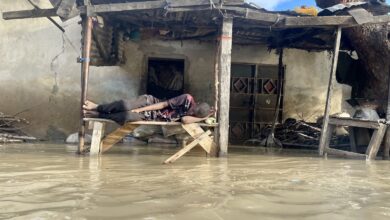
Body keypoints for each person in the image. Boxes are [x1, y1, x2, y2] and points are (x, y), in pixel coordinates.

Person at [83, 94, 213, 125]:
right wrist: (140, 110)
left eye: (193, 113)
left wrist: (203, 118)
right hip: (149, 103)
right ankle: (97, 107)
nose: (190, 111)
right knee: (125, 105)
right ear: (196, 104)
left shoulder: (192, 116)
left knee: (126, 117)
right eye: (192, 110)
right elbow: (162, 105)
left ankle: (99, 115)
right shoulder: (187, 98)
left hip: (151, 116)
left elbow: (184, 120)